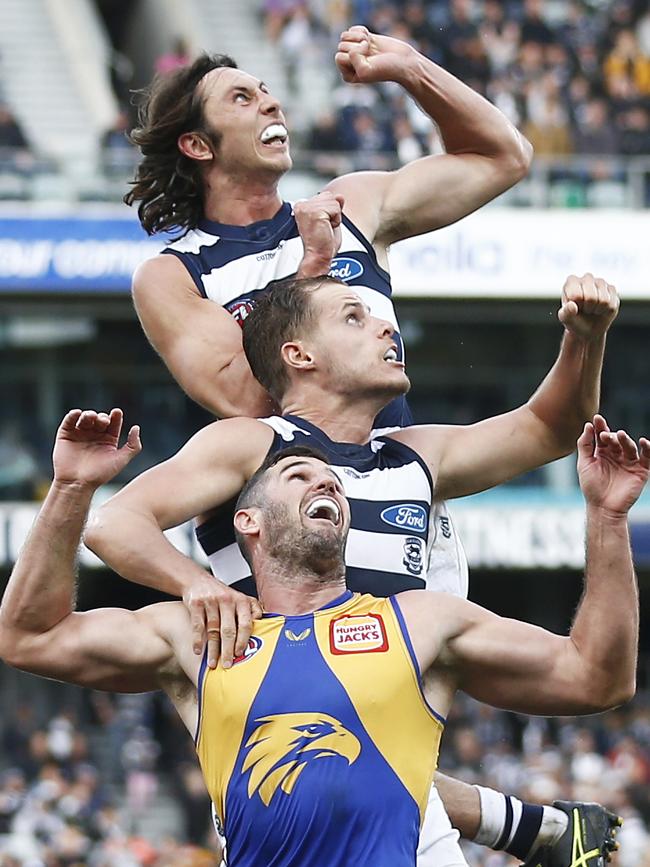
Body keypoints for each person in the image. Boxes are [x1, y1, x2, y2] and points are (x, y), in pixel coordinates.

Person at [86, 271, 620, 865]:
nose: (386, 326)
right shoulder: (253, 446)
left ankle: (538, 829)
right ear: (299, 355)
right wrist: (197, 585)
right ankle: (539, 829)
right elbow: (114, 523)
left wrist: (585, 338)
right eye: (354, 318)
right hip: (278, 735)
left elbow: (549, 426)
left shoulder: (416, 454)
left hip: (392, 716)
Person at [1, 407, 644, 866]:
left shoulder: (422, 621)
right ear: (246, 521)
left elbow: (598, 677)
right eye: (298, 476)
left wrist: (608, 518)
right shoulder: (198, 635)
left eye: (330, 480)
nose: (325, 481)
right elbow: (28, 637)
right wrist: (72, 488)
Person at [125, 25, 532, 423]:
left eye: (266, 91)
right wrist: (313, 270)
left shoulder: (349, 204)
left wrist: (411, 69)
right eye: (242, 99)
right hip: (293, 487)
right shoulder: (173, 275)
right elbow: (247, 401)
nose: (271, 104)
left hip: (400, 485)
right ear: (198, 145)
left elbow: (504, 158)